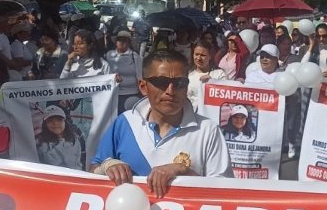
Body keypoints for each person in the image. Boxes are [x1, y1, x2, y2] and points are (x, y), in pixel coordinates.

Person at [91, 49, 230, 198]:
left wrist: (184, 171)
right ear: (143, 86)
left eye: (179, 83)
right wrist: (108, 167)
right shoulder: (125, 122)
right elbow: (94, 169)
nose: (171, 91)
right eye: (161, 82)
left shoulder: (208, 130)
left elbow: (223, 193)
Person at [35, 105, 85, 169]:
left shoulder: (75, 139)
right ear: (45, 124)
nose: (55, 123)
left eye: (59, 120)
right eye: (50, 120)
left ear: (65, 122)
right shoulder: (39, 144)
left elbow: (78, 163)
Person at [106, 31, 142, 114]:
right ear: (116, 42)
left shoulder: (134, 56)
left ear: (129, 43)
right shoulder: (109, 55)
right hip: (113, 94)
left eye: (124, 40)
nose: (121, 42)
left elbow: (139, 75)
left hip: (132, 93)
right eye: (119, 40)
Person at [188, 40, 225, 109]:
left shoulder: (219, 74)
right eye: (196, 54)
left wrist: (212, 82)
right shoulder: (188, 75)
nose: (198, 58)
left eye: (203, 55)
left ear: (210, 56)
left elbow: (225, 96)